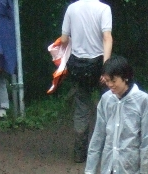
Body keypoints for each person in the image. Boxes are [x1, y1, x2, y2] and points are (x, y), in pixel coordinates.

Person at [60, 0, 113, 162]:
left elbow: (63, 39)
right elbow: (106, 38)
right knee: (107, 106)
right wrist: (107, 68)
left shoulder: (71, 9)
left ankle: (79, 152)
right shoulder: (104, 9)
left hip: (78, 65)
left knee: (81, 106)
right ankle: (108, 150)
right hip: (98, 63)